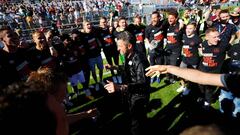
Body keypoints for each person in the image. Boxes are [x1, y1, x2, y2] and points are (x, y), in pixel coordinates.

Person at [104, 31, 150, 135]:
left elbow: (142, 84)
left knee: (136, 126)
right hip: (130, 95)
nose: (117, 49)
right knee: (135, 120)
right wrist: (113, 67)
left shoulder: (139, 60)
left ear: (129, 46)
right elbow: (127, 68)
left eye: (120, 46)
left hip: (139, 98)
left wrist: (120, 87)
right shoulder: (127, 54)